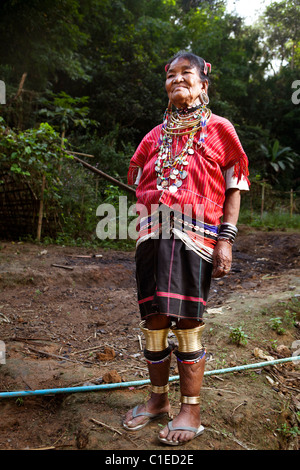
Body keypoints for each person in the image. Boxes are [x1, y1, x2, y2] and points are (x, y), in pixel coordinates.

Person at [123, 51, 250, 446]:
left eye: (186, 73)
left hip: (196, 238)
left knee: (188, 324)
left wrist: (225, 240)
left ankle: (190, 411)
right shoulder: (153, 138)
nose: (177, 79)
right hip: (151, 238)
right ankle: (158, 400)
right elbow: (141, 185)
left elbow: (234, 189)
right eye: (171, 75)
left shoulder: (220, 130)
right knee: (154, 322)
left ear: (203, 85)